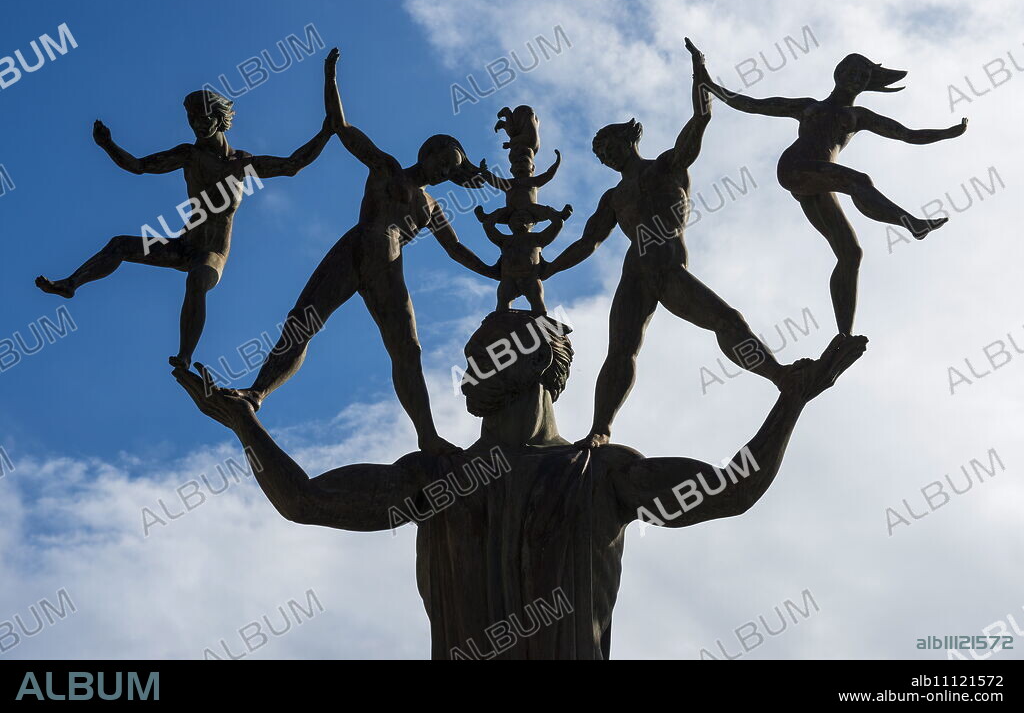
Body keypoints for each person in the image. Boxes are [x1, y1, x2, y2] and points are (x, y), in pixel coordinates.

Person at [172, 310, 866, 659]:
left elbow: (726, 492)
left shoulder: (604, 472)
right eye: (473, 352)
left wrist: (790, 402)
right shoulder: (439, 476)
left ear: (537, 360)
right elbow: (309, 503)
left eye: (490, 347)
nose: (471, 360)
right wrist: (245, 429)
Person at [542, 39, 822, 448]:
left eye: (610, 146)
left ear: (628, 139)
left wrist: (700, 74)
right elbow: (588, 242)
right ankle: (600, 429)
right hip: (635, 272)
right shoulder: (614, 198)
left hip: (668, 264)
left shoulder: (668, 165)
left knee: (727, 320)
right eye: (601, 154)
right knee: (621, 350)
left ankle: (779, 376)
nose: (607, 156)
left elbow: (701, 117)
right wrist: (546, 267)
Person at [226, 48, 497, 455]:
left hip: (389, 268)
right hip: (360, 247)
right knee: (304, 321)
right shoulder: (387, 169)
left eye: (452, 167)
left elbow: (456, 250)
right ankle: (257, 392)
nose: (444, 170)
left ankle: (427, 436)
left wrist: (496, 271)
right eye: (443, 159)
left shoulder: (432, 207)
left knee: (408, 349)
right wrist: (330, 77)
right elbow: (341, 127)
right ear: (428, 153)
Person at [35, 81, 333, 370]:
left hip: (211, 255)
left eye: (202, 118)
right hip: (183, 246)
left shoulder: (240, 164)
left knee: (196, 281)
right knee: (120, 244)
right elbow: (138, 166)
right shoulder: (188, 155)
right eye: (191, 119)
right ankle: (70, 284)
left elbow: (292, 165)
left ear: (219, 118)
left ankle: (185, 356)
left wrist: (327, 130)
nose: (196, 125)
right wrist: (108, 145)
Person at [689, 38, 968, 335]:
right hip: (796, 167)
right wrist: (705, 79)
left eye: (863, 77)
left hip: (820, 184)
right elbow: (752, 104)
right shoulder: (810, 107)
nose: (857, 80)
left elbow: (908, 135)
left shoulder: (858, 117)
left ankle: (844, 336)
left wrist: (950, 132)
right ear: (839, 74)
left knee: (851, 254)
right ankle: (911, 223)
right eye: (853, 72)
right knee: (858, 181)